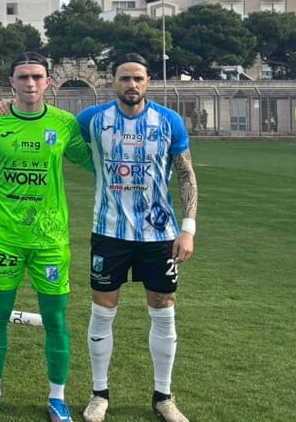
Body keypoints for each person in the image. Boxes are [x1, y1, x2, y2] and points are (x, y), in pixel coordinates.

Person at [74, 54, 198, 422]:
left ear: (148, 82)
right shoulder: (92, 119)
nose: (132, 84)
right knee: (102, 313)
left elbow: (186, 175)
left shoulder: (168, 121)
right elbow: (50, 125)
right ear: (113, 81)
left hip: (159, 235)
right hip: (109, 233)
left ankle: (164, 396)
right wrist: (7, 106)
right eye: (125, 78)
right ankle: (99, 395)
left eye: (138, 78)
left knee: (163, 311)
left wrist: (188, 229)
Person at [0, 53, 94, 422]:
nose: (30, 83)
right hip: (2, 236)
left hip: (50, 240)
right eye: (22, 77)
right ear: (11, 82)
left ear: (48, 82)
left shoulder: (64, 123)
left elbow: (93, 162)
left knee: (55, 319)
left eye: (37, 76)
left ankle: (58, 398)